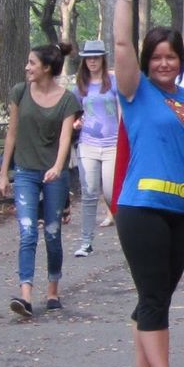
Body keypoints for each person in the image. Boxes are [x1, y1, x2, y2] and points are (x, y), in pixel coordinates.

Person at [112, 0, 184, 367]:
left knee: (159, 294)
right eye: (157, 57)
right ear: (147, 63)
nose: (165, 63)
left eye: (172, 56)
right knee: (152, 296)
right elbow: (122, 42)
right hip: (142, 207)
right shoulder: (136, 92)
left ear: (181, 61)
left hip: (180, 210)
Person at [0, 43, 81, 320]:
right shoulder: (20, 93)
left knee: (52, 233)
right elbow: (11, 134)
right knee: (28, 231)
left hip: (53, 173)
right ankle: (25, 295)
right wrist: (3, 174)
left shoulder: (67, 100)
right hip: (25, 172)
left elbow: (66, 138)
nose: (27, 67)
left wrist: (58, 167)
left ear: (46, 68)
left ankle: (53, 290)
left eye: (32, 63)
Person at [73, 39, 118, 254]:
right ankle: (86, 242)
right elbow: (74, 115)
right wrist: (76, 123)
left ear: (102, 59)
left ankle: (128, 234)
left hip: (112, 145)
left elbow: (122, 110)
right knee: (89, 192)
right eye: (88, 58)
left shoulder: (113, 81)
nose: (92, 61)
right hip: (88, 144)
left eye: (96, 57)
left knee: (111, 192)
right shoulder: (80, 86)